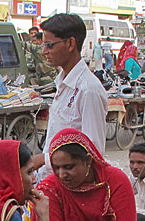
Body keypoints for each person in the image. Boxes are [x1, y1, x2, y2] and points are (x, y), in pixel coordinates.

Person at [37, 14, 108, 177]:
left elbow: (93, 153)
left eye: (49, 45)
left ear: (70, 44)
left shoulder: (88, 89)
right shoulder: (62, 83)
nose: (45, 51)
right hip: (51, 179)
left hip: (69, 183)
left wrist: (43, 160)